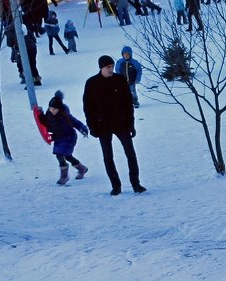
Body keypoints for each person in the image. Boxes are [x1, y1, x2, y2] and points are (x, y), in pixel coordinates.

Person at [83, 55, 146, 196]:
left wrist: (131, 124)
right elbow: (88, 107)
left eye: (112, 66)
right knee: (108, 157)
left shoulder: (120, 80)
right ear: (101, 68)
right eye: (108, 67)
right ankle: (116, 185)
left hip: (121, 123)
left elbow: (128, 103)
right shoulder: (92, 83)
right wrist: (92, 126)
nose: (111, 69)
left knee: (130, 154)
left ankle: (136, 183)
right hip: (102, 126)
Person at [37, 90, 89, 185]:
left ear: (59, 109)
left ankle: (64, 176)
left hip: (69, 137)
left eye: (54, 109)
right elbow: (45, 122)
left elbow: (76, 122)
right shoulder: (49, 114)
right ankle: (82, 169)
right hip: (58, 137)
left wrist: (83, 129)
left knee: (60, 155)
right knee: (67, 156)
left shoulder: (65, 116)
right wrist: (40, 114)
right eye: (51, 108)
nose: (52, 110)